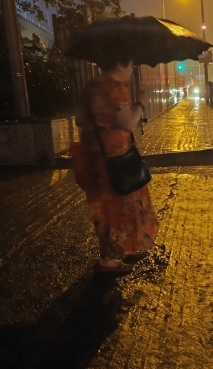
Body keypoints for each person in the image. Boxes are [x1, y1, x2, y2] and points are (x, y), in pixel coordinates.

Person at [75, 58, 158, 276]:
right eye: (131, 65)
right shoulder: (115, 88)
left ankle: (109, 257)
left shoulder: (91, 86)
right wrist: (140, 103)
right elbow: (127, 123)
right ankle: (108, 261)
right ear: (120, 64)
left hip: (94, 157)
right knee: (118, 210)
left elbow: (79, 119)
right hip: (115, 160)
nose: (132, 70)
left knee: (104, 210)